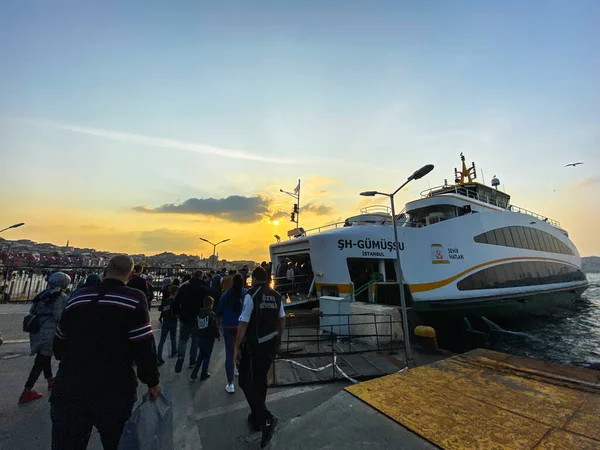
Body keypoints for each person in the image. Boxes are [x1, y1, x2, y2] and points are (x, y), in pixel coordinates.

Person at [50, 255, 160, 450]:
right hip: (114, 387)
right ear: (131, 274)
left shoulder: (78, 296)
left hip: (70, 384)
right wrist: (152, 381)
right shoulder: (134, 299)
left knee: (67, 442)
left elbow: (59, 341)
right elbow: (144, 345)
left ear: (105, 270)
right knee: (116, 442)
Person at [235, 266, 285, 448]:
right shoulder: (276, 296)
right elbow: (282, 320)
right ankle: (257, 418)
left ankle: (265, 418)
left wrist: (235, 348)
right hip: (271, 344)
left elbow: (243, 324)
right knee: (261, 380)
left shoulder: (251, 295)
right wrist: (279, 338)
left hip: (254, 346)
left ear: (254, 279)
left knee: (245, 381)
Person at [19, 272, 71, 404]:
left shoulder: (43, 294)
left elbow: (32, 310)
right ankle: (27, 391)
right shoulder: (61, 296)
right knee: (41, 360)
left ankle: (50, 380)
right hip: (50, 330)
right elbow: (59, 315)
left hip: (37, 328)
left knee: (44, 357)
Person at [173, 269, 213, 372]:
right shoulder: (204, 289)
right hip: (198, 318)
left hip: (185, 316)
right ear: (201, 276)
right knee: (195, 340)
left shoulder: (185, 287)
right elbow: (208, 303)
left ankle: (180, 357)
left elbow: (176, 301)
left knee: (183, 339)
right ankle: (192, 361)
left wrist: (177, 313)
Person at [217, 273, 247, 393]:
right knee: (241, 350)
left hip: (228, 326)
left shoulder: (226, 295)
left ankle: (230, 384)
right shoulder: (246, 294)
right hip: (242, 326)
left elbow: (219, 311)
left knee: (229, 354)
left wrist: (218, 324)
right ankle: (240, 371)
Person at [192, 296, 220, 381]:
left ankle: (195, 371)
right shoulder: (211, 314)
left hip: (201, 336)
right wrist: (217, 335)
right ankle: (204, 373)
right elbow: (214, 326)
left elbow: (196, 325)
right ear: (211, 304)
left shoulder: (199, 314)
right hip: (209, 337)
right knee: (207, 355)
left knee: (201, 354)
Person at [157, 284, 179, 366]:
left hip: (165, 320)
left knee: (162, 339)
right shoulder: (175, 301)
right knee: (173, 337)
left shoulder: (166, 300)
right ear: (176, 292)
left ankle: (159, 354)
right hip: (172, 321)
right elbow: (177, 313)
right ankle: (174, 352)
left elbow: (160, 308)